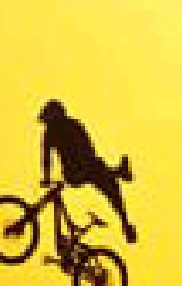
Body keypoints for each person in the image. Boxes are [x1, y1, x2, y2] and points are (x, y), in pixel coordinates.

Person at [38, 99, 137, 243]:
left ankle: (117, 175)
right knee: (110, 185)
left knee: (110, 186)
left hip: (79, 170)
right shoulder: (65, 128)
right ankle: (118, 173)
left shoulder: (63, 129)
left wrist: (47, 177)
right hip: (77, 171)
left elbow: (48, 159)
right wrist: (47, 177)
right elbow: (48, 158)